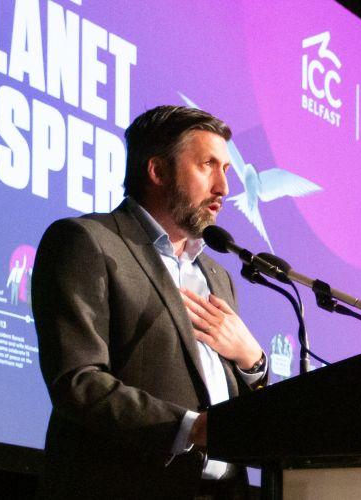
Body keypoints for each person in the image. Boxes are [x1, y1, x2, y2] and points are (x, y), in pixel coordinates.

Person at [31, 105, 268, 499]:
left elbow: (242, 400)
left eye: (226, 169)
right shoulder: (88, 242)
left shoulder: (218, 277)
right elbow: (78, 380)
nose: (224, 188)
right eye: (208, 165)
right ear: (157, 171)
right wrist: (189, 427)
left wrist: (252, 363)